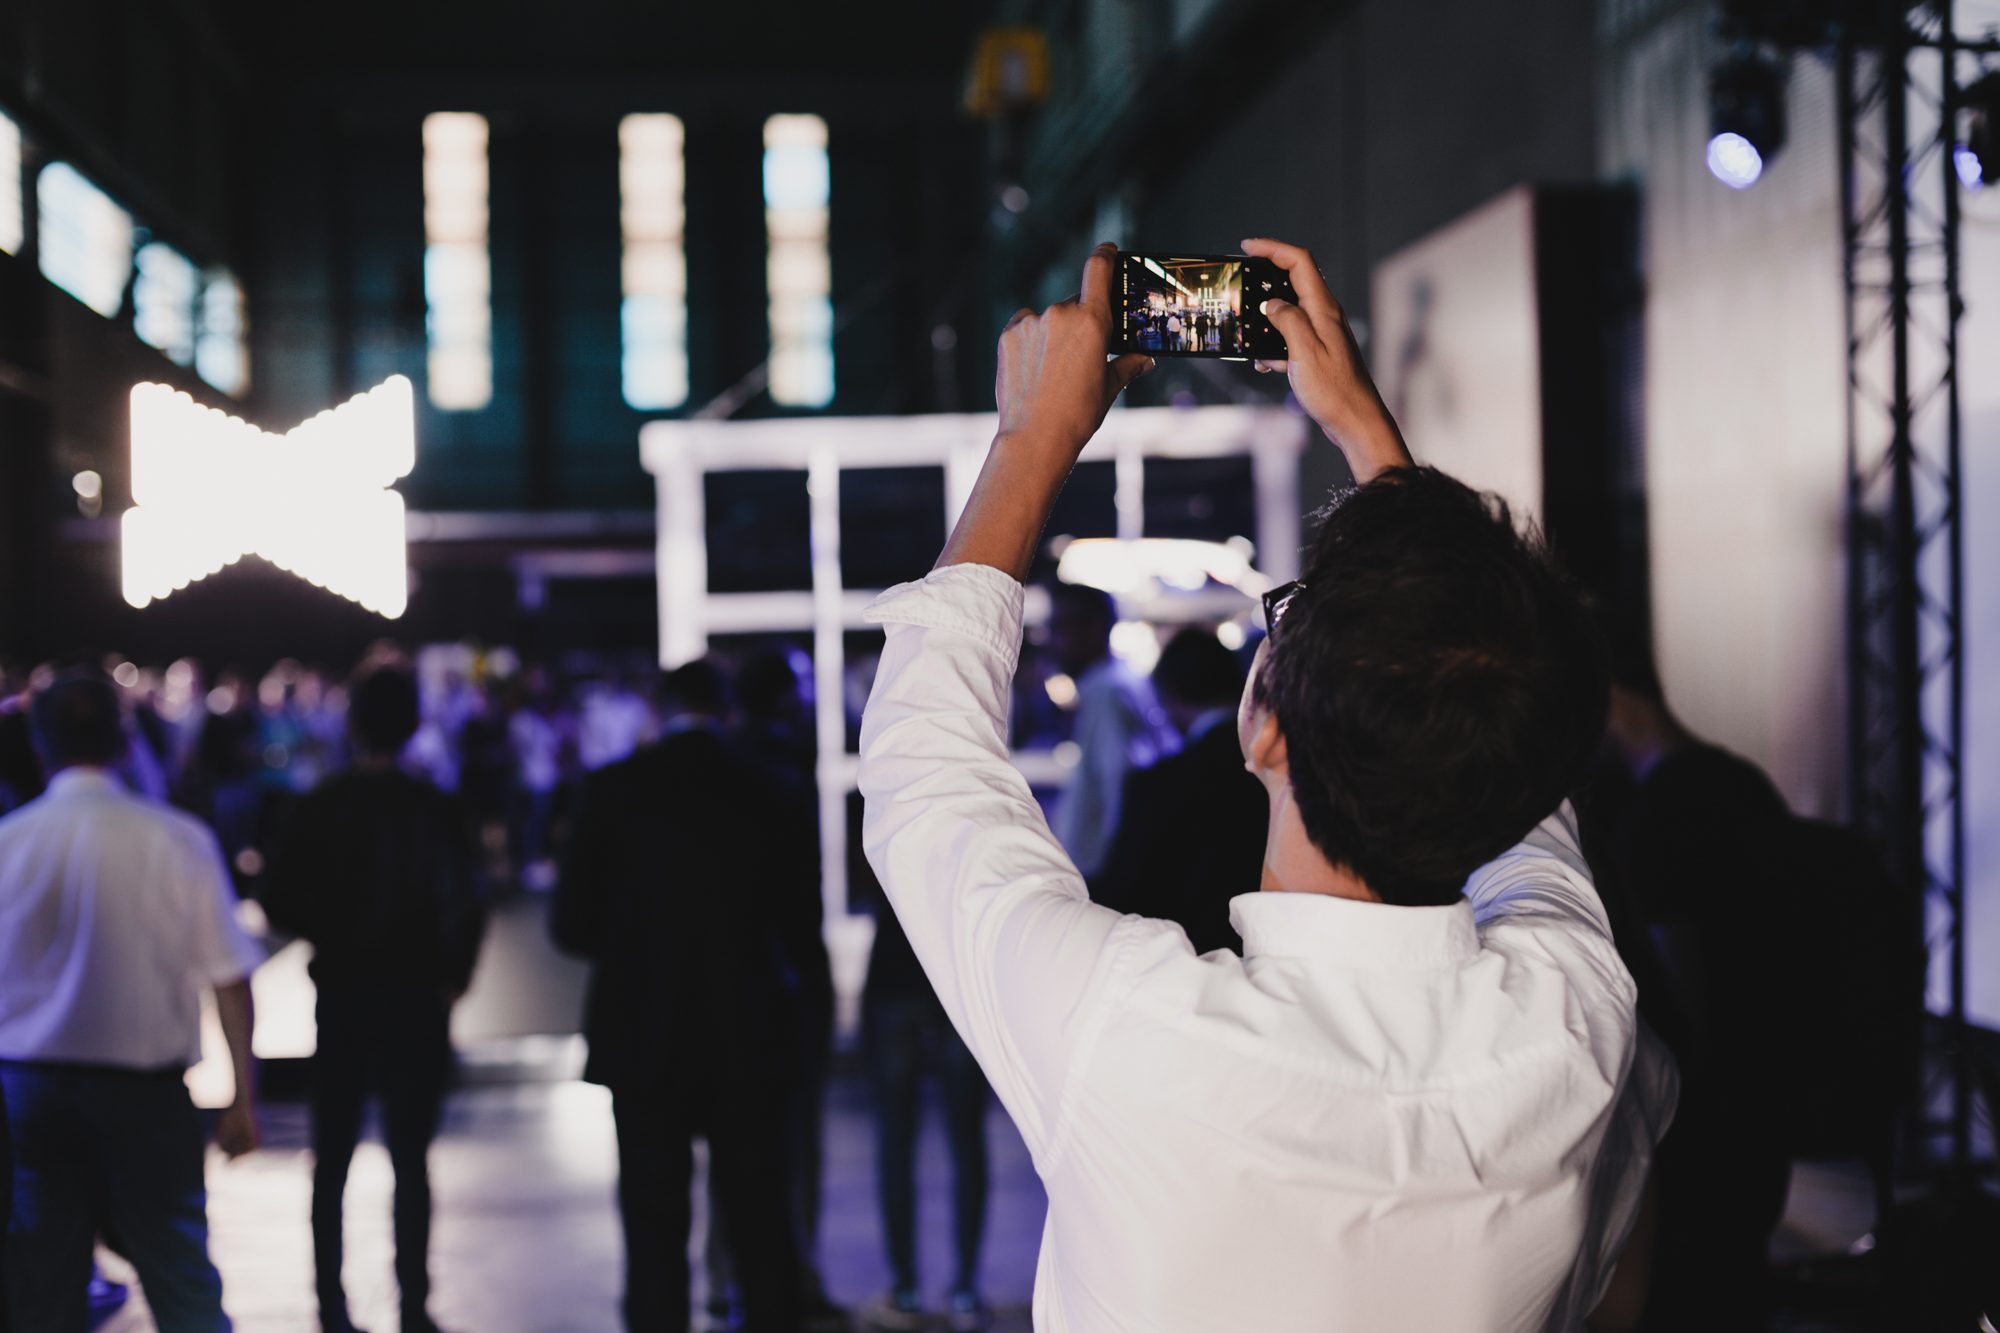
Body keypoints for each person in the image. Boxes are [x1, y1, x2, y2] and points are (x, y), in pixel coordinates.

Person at [857, 239, 1674, 1329]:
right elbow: (1507, 751)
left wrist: (1030, 436)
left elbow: (926, 770)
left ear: (1260, 722)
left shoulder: (1133, 1033)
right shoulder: (1574, 1022)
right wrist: (1368, 443)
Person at [0, 670, 262, 1333]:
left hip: (30, 1093)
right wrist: (242, 1099)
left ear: (39, 741)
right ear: (123, 739)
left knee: (41, 1287)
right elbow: (230, 979)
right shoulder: (175, 838)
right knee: (181, 1278)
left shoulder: (10, 842)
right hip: (146, 1094)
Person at [552, 660, 807, 1333]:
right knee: (761, 1228)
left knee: (652, 1230)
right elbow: (798, 923)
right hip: (746, 1034)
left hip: (645, 1035)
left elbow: (570, 924)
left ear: (659, 711)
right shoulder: (769, 789)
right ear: (725, 709)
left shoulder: (612, 791)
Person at [262, 661, 487, 1333]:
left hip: (345, 992)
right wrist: (454, 972)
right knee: (411, 1158)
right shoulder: (436, 807)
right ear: (414, 722)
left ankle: (332, 1308)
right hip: (418, 995)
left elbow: (278, 897)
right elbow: (469, 896)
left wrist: (331, 935)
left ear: (352, 722)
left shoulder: (322, 804)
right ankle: (413, 1307)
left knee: (331, 1157)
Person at [1089, 626, 1267, 954]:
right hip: (1267, 950)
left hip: (1183, 963)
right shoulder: (1280, 774)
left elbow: (1121, 894)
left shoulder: (1159, 784)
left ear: (1169, 696)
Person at [1046, 582, 1168, 879]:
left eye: (1060, 627)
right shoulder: (1115, 686)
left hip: (1104, 877)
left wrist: (1120, 875)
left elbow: (1121, 788)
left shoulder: (1106, 694)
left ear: (1096, 628)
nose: (1051, 641)